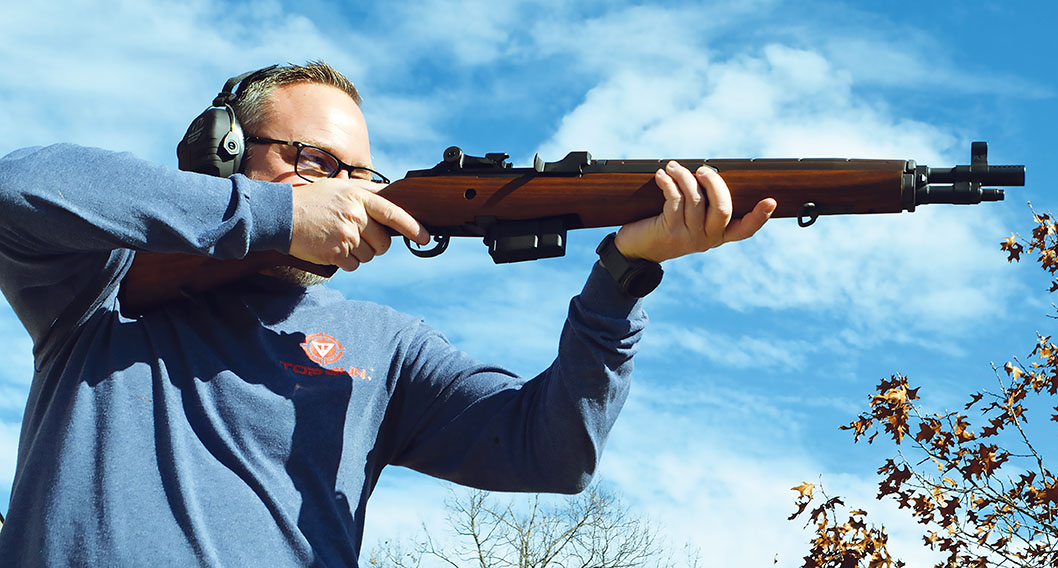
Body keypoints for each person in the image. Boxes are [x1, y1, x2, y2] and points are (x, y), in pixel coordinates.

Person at [0, 62, 776, 566]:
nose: (348, 187)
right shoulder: (104, 286)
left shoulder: (388, 345)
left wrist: (624, 274)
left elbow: (552, 453)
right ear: (227, 153)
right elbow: (16, 187)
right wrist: (272, 217)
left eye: (361, 172)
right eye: (315, 162)